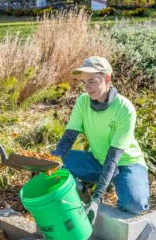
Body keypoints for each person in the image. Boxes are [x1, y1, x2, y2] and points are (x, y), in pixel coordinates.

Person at [51, 56, 149, 224]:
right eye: (84, 83)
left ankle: (122, 185)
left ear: (107, 79)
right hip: (98, 160)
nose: (87, 88)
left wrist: (97, 199)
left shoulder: (124, 109)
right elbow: (68, 138)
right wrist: (51, 162)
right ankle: (83, 189)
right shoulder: (83, 102)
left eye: (92, 82)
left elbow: (113, 158)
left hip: (126, 163)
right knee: (54, 161)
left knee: (135, 205)